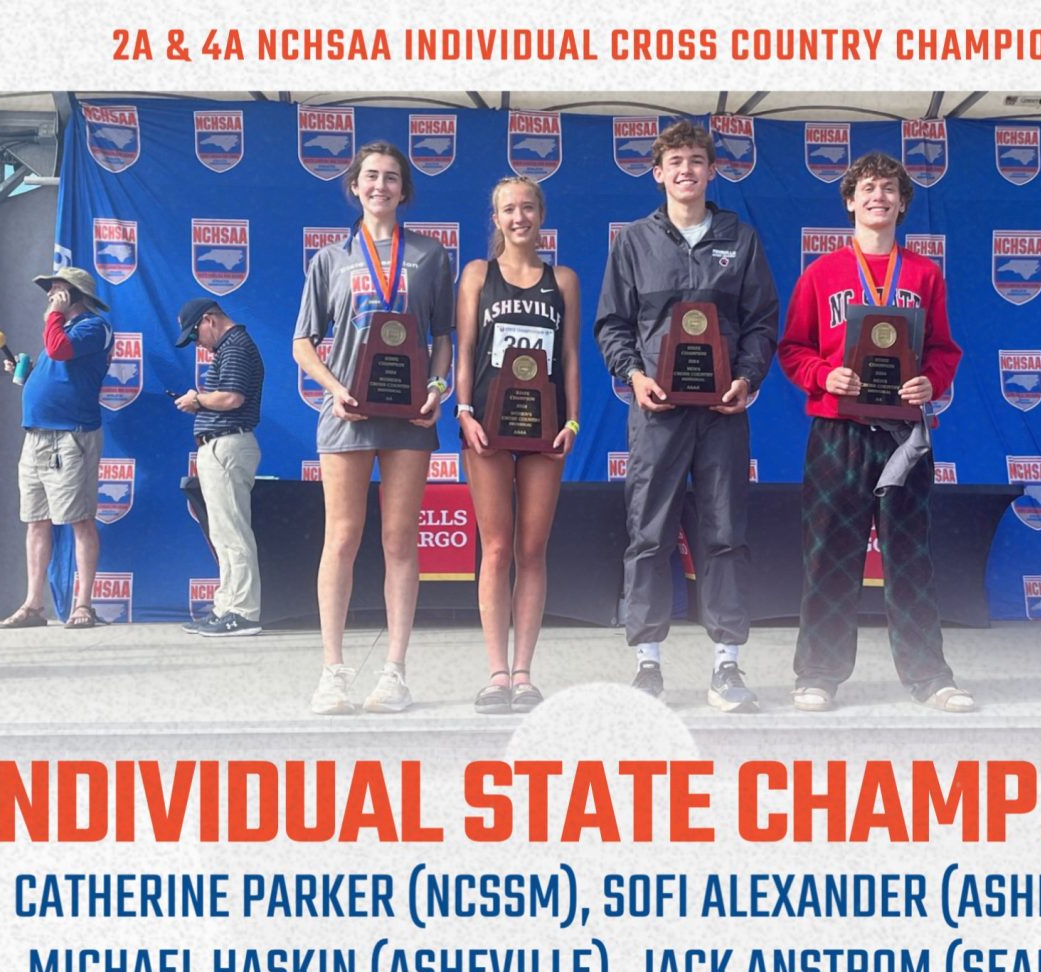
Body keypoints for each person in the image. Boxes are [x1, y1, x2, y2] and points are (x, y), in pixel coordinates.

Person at [775, 151, 974, 712]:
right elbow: (792, 348)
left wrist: (930, 382)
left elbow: (943, 349)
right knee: (829, 554)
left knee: (909, 555)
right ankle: (817, 674)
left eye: (888, 189)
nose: (877, 197)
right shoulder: (821, 274)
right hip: (837, 430)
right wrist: (824, 375)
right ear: (849, 201)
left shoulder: (924, 275)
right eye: (867, 188)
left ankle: (930, 677)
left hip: (903, 436)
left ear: (903, 203)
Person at [593, 119, 779, 712]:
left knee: (724, 533)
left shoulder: (740, 239)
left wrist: (746, 378)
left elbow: (762, 323)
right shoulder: (633, 242)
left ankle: (727, 666)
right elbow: (612, 324)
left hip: (723, 413)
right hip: (657, 414)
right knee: (649, 535)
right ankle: (647, 665)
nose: (686, 170)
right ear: (658, 173)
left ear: (712, 170)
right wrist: (634, 375)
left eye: (696, 160)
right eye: (675, 162)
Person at [292, 141, 453, 714]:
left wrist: (437, 389)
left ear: (404, 190)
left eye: (390, 177)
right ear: (355, 186)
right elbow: (302, 342)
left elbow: (442, 338)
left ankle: (394, 673)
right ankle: (332, 672)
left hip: (409, 417)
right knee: (341, 538)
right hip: (348, 414)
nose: (380, 185)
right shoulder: (329, 259)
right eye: (371, 176)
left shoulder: (430, 255)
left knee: (399, 540)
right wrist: (334, 389)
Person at [454, 177, 583, 714]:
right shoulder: (476, 275)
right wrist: (463, 411)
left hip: (544, 430)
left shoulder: (564, 280)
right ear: (496, 218)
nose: (519, 217)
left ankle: (525, 673)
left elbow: (570, 356)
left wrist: (571, 421)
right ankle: (496, 674)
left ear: (541, 214)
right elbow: (465, 350)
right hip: (486, 427)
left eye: (528, 207)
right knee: (496, 548)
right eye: (509, 209)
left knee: (531, 549)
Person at [0, 265, 114, 630]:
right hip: (36, 436)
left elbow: (59, 349)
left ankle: (84, 605)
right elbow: (59, 365)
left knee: (80, 519)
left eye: (57, 289)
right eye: (50, 290)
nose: (50, 295)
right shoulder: (61, 327)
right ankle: (33, 604)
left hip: (70, 435)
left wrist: (54, 316)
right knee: (36, 521)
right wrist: (28, 372)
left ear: (75, 294)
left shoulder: (93, 326)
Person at [172, 298, 265, 638]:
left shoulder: (236, 346)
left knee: (232, 532)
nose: (197, 344)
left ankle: (243, 612)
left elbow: (231, 398)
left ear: (209, 320)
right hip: (221, 444)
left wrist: (197, 399)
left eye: (195, 334)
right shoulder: (230, 347)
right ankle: (227, 606)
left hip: (227, 443)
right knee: (223, 533)